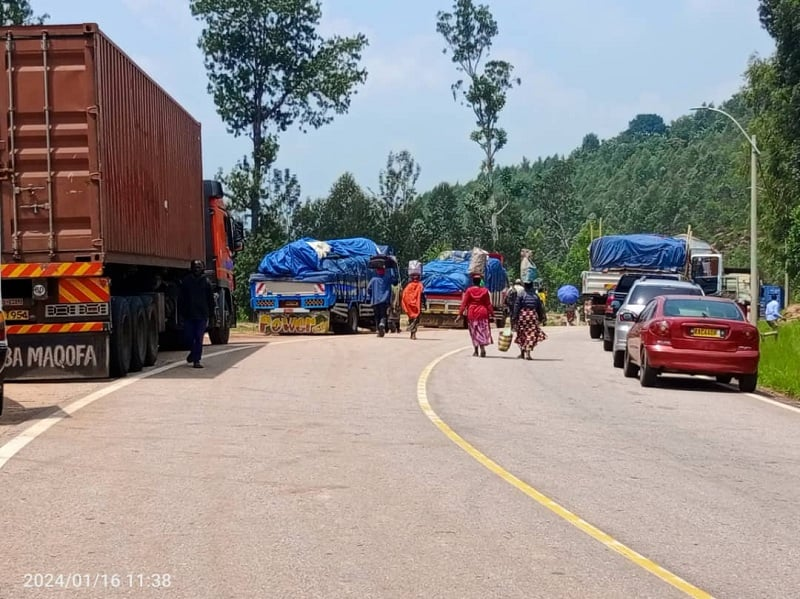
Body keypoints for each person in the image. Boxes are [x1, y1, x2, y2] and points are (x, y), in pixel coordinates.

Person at [179, 259, 215, 368]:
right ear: (191, 268)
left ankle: (196, 360)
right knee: (189, 337)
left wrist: (211, 314)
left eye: (199, 267)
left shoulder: (206, 282)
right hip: (189, 314)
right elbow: (181, 299)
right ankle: (193, 353)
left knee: (199, 337)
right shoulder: (186, 281)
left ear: (203, 269)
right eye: (195, 267)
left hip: (202, 314)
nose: (197, 269)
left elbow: (211, 300)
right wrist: (181, 313)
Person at [456, 274, 494, 357]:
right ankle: (482, 347)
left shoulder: (469, 291)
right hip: (483, 313)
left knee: (474, 332)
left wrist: (460, 314)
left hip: (472, 313)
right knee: (482, 331)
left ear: (473, 282)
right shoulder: (485, 291)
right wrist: (492, 314)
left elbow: (464, 303)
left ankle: (476, 351)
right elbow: (488, 304)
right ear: (480, 282)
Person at [513, 282, 548, 360]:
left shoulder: (521, 294)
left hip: (523, 316)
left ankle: (522, 353)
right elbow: (539, 308)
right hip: (532, 316)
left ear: (524, 286)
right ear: (532, 286)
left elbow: (517, 306)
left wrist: (514, 317)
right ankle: (528, 352)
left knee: (522, 334)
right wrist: (541, 318)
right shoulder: (536, 296)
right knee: (530, 334)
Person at [367, 267, 393, 337]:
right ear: (384, 271)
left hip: (375, 301)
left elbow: (368, 289)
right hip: (384, 300)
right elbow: (394, 282)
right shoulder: (387, 279)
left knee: (377, 316)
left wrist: (371, 295)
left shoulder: (373, 279)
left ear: (377, 271)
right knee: (383, 315)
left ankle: (379, 330)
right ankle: (382, 324)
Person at [401, 272, 426, 340]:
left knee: (411, 318)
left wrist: (405, 304)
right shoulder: (420, 285)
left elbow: (404, 296)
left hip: (409, 305)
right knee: (416, 319)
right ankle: (413, 333)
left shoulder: (408, 286)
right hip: (417, 305)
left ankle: (412, 332)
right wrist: (424, 303)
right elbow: (423, 295)